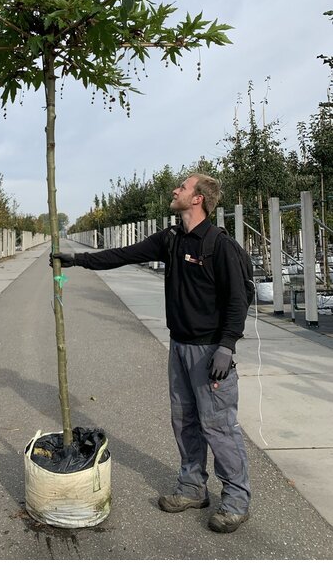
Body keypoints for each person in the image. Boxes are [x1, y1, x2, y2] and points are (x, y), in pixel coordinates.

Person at [52, 173, 251, 534]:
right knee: (185, 422)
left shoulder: (219, 245)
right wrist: (76, 259)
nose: (175, 190)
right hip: (179, 347)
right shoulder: (171, 238)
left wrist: (226, 346)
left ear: (198, 199)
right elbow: (124, 254)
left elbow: (238, 299)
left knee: (218, 427)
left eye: (183, 187)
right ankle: (192, 488)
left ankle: (236, 501)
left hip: (210, 353)